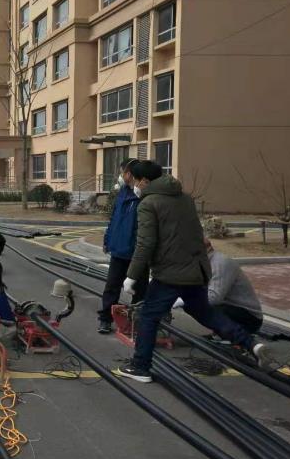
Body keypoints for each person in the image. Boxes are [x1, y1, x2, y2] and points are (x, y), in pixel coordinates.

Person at [116, 161, 274, 383]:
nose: (134, 185)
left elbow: (145, 243)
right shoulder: (185, 199)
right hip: (196, 270)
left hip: (170, 273)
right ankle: (251, 344)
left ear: (145, 181)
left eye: (136, 181)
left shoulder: (148, 204)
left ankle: (140, 367)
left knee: (149, 316)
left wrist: (132, 275)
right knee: (207, 313)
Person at [174, 238, 264, 340]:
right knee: (192, 303)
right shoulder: (204, 263)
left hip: (249, 317)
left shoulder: (220, 263)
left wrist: (184, 299)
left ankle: (236, 335)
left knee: (195, 306)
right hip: (231, 307)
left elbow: (214, 297)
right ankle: (222, 332)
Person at [98, 158, 148, 334]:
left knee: (140, 290)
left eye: (122, 172)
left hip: (137, 253)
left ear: (129, 174)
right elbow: (114, 219)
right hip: (118, 250)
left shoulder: (143, 197)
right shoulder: (122, 194)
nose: (120, 176)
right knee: (112, 287)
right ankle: (105, 319)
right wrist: (107, 240)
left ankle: (135, 321)